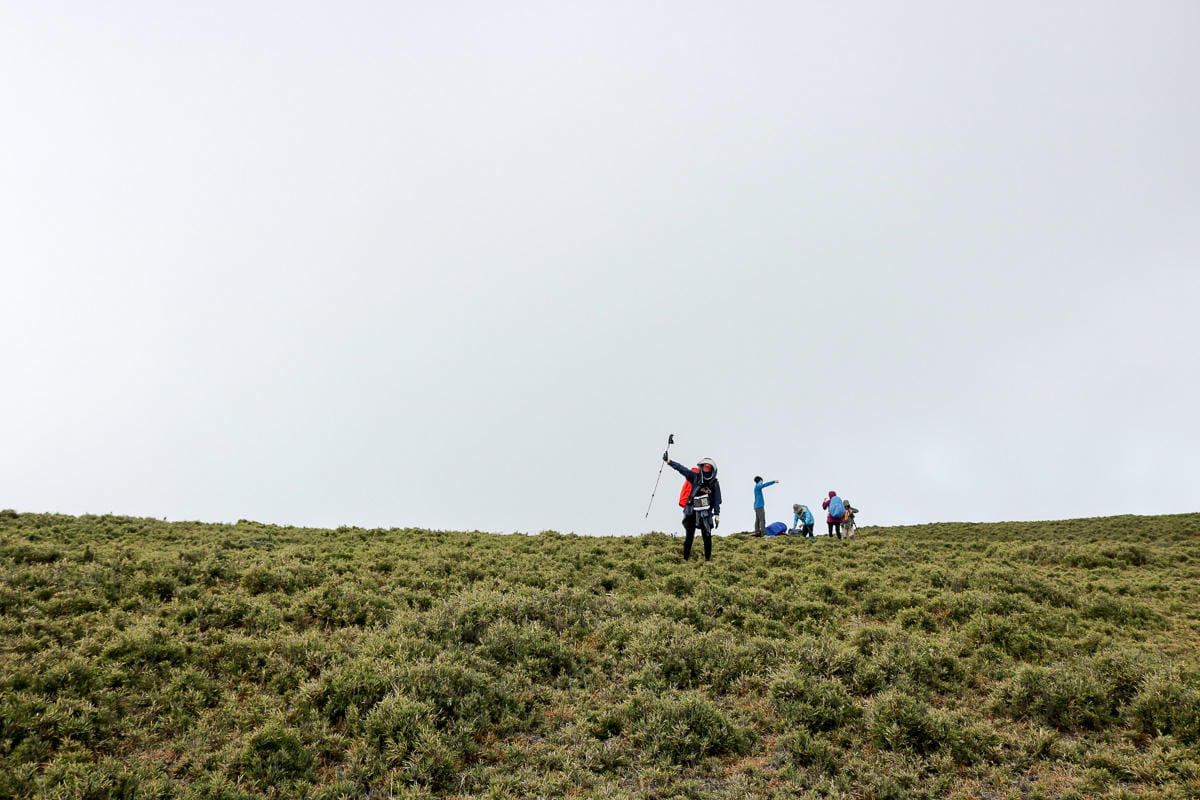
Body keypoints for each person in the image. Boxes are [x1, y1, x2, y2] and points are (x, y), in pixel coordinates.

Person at [664, 451, 722, 561]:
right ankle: (685, 559)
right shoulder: (695, 477)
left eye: (708, 468)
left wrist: (717, 514)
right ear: (701, 467)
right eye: (705, 467)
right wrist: (669, 461)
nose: (706, 469)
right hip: (692, 511)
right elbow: (682, 469)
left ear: (712, 470)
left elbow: (717, 499)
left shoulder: (714, 483)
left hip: (706, 513)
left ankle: (707, 561)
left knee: (707, 537)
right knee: (689, 536)